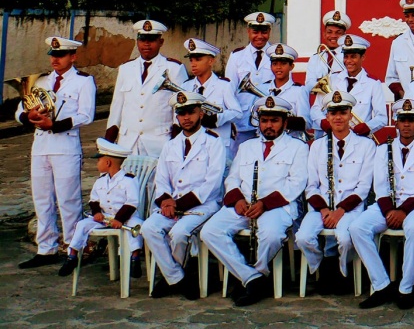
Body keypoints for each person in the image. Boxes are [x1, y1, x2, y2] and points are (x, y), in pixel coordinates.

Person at [199, 95, 309, 306]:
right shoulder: (247, 146)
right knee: (210, 231)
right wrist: (238, 200)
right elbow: (232, 178)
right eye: (264, 120)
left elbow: (296, 183)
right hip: (244, 206)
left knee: (271, 234)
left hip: (278, 206)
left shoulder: (298, 147)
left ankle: (257, 273)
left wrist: (264, 204)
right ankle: (252, 278)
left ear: (284, 123)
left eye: (274, 121)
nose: (268, 125)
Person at [17, 36, 96, 269]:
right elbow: (20, 110)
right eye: (52, 55)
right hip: (40, 145)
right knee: (42, 199)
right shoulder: (41, 81)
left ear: (73, 56)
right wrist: (28, 117)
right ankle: (46, 248)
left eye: (60, 55)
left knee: (68, 200)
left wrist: (56, 125)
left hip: (66, 146)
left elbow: (86, 115)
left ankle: (73, 248)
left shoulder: (83, 81)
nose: (55, 59)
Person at [354, 99, 414, 309]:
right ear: (396, 123)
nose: (407, 124)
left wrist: (402, 211)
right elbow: (380, 187)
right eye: (402, 120)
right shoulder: (384, 149)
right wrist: (390, 210)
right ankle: (382, 284)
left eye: (411, 120)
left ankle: (406, 288)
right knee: (357, 228)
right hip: (388, 205)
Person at [144, 91, 226, 299]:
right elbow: (161, 179)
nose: (186, 118)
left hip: (202, 206)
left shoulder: (214, 142)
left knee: (180, 233)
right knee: (149, 228)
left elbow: (212, 184)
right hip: (172, 205)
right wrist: (166, 203)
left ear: (201, 113)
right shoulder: (170, 145)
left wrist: (179, 204)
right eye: (181, 113)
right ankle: (177, 278)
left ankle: (173, 278)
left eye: (191, 112)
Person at [295, 92, 375, 294]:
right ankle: (322, 268)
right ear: (327, 117)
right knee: (303, 237)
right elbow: (311, 186)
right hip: (321, 208)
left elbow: (363, 188)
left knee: (346, 238)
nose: (338, 117)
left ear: (350, 115)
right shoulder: (317, 146)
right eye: (333, 113)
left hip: (350, 209)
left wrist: (339, 211)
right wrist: (323, 210)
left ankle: (343, 272)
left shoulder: (366, 145)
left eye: (343, 112)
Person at [58, 138, 142, 277]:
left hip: (126, 218)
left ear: (108, 162)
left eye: (99, 160)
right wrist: (96, 212)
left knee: (135, 227)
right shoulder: (100, 181)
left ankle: (135, 258)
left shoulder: (129, 180)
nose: (97, 164)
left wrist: (120, 219)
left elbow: (132, 202)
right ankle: (72, 256)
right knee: (81, 225)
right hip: (105, 218)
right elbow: (94, 199)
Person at [106, 19, 187, 157]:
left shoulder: (174, 68)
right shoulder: (126, 68)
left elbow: (180, 107)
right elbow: (117, 107)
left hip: (159, 143)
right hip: (127, 143)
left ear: (161, 42)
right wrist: (108, 142)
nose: (146, 44)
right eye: (142, 39)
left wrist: (175, 140)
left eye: (152, 40)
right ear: (137, 41)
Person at [181, 38, 242, 158]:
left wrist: (217, 118)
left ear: (211, 61)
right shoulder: (186, 86)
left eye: (198, 59)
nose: (193, 64)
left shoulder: (224, 85)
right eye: (191, 60)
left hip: (219, 145)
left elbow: (237, 113)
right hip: (193, 145)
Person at [330, 34, 390, 135]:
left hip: (360, 138)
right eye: (346, 56)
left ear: (363, 57)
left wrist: (366, 127)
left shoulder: (373, 84)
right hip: (334, 136)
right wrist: (326, 123)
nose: (349, 61)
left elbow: (382, 117)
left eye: (353, 57)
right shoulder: (332, 79)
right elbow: (317, 109)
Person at [226, 12, 277, 123]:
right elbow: (229, 90)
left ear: (269, 32)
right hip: (243, 119)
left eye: (264, 32)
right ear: (248, 31)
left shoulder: (277, 56)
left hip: (269, 118)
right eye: (255, 32)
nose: (259, 36)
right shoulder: (236, 56)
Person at [260, 43, 312, 139]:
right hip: (265, 139)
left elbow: (307, 123)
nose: (278, 67)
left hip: (290, 141)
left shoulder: (299, 90)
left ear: (291, 66)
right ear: (271, 66)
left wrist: (284, 121)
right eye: (275, 64)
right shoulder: (262, 88)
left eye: (283, 64)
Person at [304, 10, 350, 93]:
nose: (333, 36)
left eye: (338, 32)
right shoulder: (315, 58)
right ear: (324, 34)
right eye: (329, 32)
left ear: (344, 36)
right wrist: (327, 86)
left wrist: (320, 81)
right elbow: (309, 84)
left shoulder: (349, 56)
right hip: (321, 103)